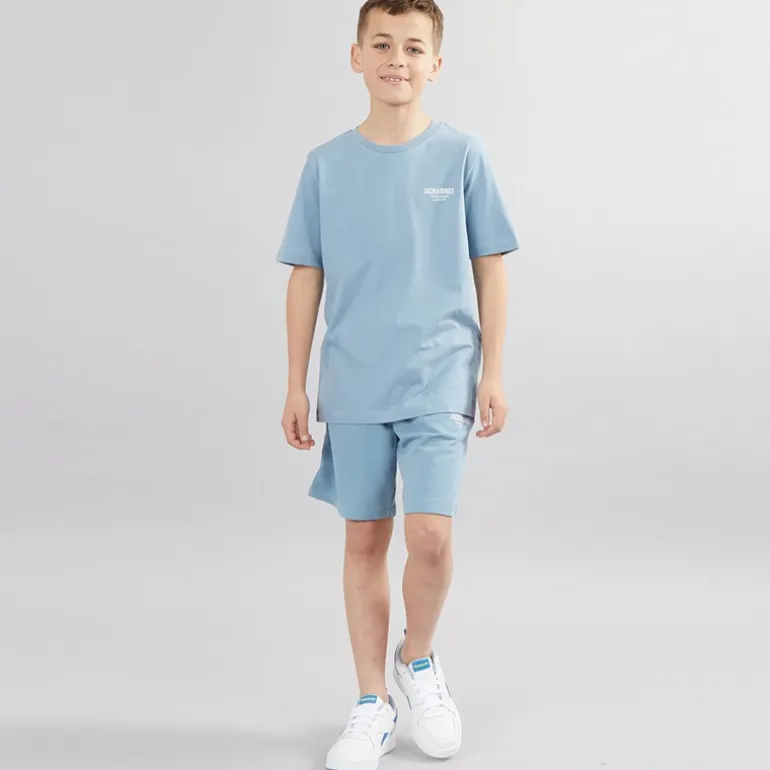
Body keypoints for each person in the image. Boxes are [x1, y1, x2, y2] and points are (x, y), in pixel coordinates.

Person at [277, 1, 518, 767]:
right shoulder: (325, 165)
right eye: (381, 44)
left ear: (435, 64)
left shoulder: (463, 156)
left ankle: (418, 659)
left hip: (441, 373)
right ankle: (370, 703)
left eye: (413, 47)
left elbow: (490, 267)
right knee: (364, 539)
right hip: (354, 380)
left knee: (431, 537)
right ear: (357, 57)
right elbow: (305, 274)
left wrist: (493, 371)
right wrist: (294, 383)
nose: (397, 59)